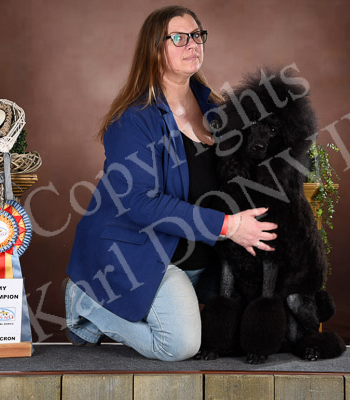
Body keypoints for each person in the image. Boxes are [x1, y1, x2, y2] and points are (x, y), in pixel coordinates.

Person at [64, 5, 277, 361]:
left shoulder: (217, 108)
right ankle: (85, 303)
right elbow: (139, 202)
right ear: (154, 48)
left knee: (240, 329)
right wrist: (229, 226)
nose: (192, 44)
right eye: (178, 38)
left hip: (205, 256)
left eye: (196, 35)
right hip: (149, 255)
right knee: (180, 345)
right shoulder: (133, 120)